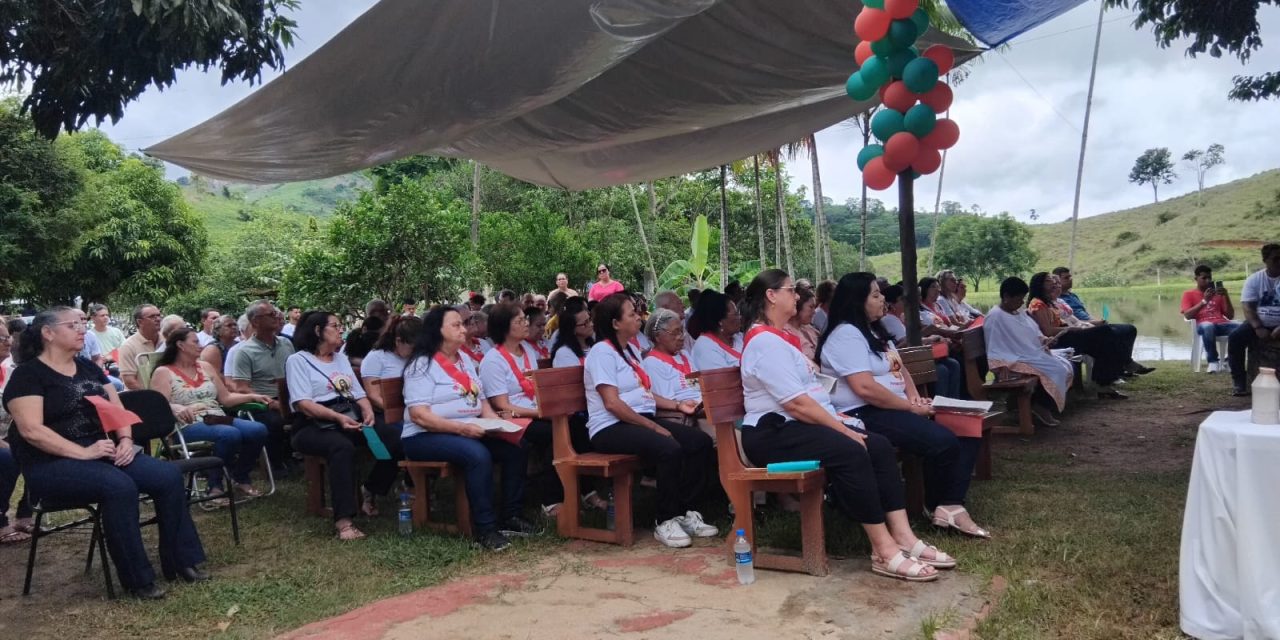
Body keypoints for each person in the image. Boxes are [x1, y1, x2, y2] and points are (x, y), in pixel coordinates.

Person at [738, 270, 953, 581]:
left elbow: (810, 395)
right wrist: (843, 429)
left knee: (876, 444)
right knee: (852, 448)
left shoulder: (780, 338)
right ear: (771, 296)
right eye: (790, 290)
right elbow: (796, 403)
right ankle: (883, 549)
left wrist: (843, 422)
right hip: (773, 434)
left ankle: (905, 537)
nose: (797, 296)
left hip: (795, 425)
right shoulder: (764, 343)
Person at [3, 308, 208, 598]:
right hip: (51, 463)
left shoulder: (88, 367)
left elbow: (117, 410)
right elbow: (31, 431)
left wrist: (126, 440)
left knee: (166, 476)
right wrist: (83, 452)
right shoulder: (28, 376)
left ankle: (181, 561)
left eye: (82, 324)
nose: (81, 329)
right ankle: (138, 579)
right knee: (119, 486)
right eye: (72, 324)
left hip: (104, 452)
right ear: (48, 333)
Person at [818, 272, 989, 537]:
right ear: (856, 301)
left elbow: (900, 369)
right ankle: (942, 506)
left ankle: (947, 505)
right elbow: (864, 388)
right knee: (942, 441)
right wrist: (910, 408)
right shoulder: (845, 335)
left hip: (893, 406)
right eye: (875, 295)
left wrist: (913, 397)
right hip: (862, 413)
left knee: (967, 425)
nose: (882, 299)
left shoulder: (874, 330)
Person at [585, 293, 715, 548]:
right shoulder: (602, 353)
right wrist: (654, 426)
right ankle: (664, 519)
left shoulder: (630, 349)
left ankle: (684, 511)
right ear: (615, 323)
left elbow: (645, 392)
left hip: (638, 419)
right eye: (632, 314)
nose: (638, 317)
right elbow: (612, 403)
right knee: (669, 448)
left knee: (698, 442)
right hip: (610, 427)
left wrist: (677, 405)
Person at [402, 306, 536, 552]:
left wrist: (496, 424)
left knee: (516, 446)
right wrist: (461, 429)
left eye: (462, 324)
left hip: (468, 428)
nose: (464, 329)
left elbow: (482, 401)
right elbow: (419, 415)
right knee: (477, 455)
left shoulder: (463, 360)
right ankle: (485, 529)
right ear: (438, 330)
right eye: (456, 325)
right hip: (425, 436)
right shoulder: (421, 365)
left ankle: (511, 516)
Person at [286, 311, 390, 540]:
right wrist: (338, 418)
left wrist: (368, 410)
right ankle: (344, 521)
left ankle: (371, 490)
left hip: (348, 415)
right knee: (341, 447)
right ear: (317, 331)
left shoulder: (340, 358)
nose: (341, 329)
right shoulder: (298, 360)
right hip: (313, 424)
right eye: (335, 325)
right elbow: (304, 404)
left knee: (392, 435)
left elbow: (359, 393)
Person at [150, 328, 272, 502]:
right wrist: (176, 407)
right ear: (180, 345)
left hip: (216, 417)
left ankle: (240, 477)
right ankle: (215, 486)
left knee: (258, 429)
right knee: (229, 434)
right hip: (186, 423)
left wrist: (252, 396)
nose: (200, 345)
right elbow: (158, 405)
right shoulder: (163, 372)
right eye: (195, 342)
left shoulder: (205, 367)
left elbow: (226, 398)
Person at [480, 304, 574, 516]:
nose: (526, 324)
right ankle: (550, 500)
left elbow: (536, 388)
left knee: (574, 426)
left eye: (525, 319)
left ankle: (577, 491)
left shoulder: (528, 351)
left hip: (536, 411)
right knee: (555, 434)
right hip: (515, 418)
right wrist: (544, 414)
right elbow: (501, 405)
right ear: (505, 327)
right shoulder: (493, 360)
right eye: (520, 321)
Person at [984, 277, 1073, 426]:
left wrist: (1044, 339)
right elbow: (995, 346)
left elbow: (1032, 331)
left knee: (1065, 364)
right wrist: (1002, 365)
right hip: (1010, 363)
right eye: (1019, 299)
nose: (1021, 303)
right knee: (1057, 369)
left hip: (1027, 355)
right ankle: (1040, 406)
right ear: (1006, 297)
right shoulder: (995, 317)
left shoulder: (1016, 312)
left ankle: (1039, 404)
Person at [1028, 273, 1128, 399]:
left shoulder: (1051, 302)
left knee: (1108, 338)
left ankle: (1103, 382)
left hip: (1068, 335)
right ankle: (1102, 382)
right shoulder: (1037, 304)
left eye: (1053, 280)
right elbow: (1047, 331)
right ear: (1039, 285)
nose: (1054, 283)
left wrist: (1078, 327)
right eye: (1048, 281)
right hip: (1057, 340)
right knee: (1105, 333)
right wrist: (1072, 329)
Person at [229, 300, 296, 472]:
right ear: (255, 322)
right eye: (271, 314)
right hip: (263, 402)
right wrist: (269, 402)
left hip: (291, 397)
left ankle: (303, 456)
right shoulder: (244, 351)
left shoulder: (286, 343)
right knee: (274, 421)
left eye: (276, 313)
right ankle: (276, 464)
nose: (277, 317)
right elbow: (241, 387)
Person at [1052, 266, 1154, 377]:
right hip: (1082, 330)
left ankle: (1123, 365)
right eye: (1066, 278)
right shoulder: (1055, 302)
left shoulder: (1071, 296)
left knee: (1129, 329)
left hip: (1088, 324)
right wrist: (1095, 324)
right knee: (1111, 332)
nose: (1070, 279)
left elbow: (1083, 314)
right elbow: (1069, 322)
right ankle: (1123, 366)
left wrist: (1096, 321)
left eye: (1070, 277)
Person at [880, 284, 963, 399]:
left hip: (915, 357)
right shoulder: (890, 319)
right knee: (941, 370)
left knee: (952, 364)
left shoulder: (901, 317)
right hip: (908, 361)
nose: (907, 302)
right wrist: (930, 338)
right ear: (892, 304)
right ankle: (940, 407)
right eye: (902, 299)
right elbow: (906, 342)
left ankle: (953, 403)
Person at [1230, 243, 1280, 396]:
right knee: (1235, 338)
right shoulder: (1254, 279)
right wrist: (1258, 327)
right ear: (1265, 260)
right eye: (1276, 258)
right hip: (1259, 322)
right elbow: (1247, 307)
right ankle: (1240, 382)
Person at [0, 320, 34, 545]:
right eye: (1, 339)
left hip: (7, 432)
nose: (8, 342)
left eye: (7, 337)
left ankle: (26, 511)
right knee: (8, 457)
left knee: (39, 443)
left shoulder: (12, 368)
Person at [1182, 265, 1240, 374]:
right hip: (1203, 326)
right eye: (1204, 278)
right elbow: (1187, 316)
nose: (1207, 280)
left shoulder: (1218, 294)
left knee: (1245, 327)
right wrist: (1204, 301)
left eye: (1209, 278)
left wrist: (1226, 296)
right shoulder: (1188, 294)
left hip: (1221, 324)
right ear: (1196, 279)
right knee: (1208, 326)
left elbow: (1230, 316)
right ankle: (1213, 362)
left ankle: (1229, 360)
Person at [688, 290, 743, 372]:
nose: (740, 317)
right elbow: (722, 380)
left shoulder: (739, 337)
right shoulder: (705, 347)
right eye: (736, 314)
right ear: (720, 321)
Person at [118, 304, 163, 390]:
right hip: (142, 397)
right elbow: (129, 381)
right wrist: (154, 395)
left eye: (158, 315)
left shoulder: (167, 341)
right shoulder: (128, 346)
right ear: (140, 322)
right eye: (152, 317)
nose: (158, 319)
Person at [551, 298, 593, 367]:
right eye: (585, 323)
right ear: (572, 329)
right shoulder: (564, 354)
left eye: (589, 319)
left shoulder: (594, 346)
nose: (591, 324)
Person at [200, 313, 241, 383]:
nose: (234, 327)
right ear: (218, 330)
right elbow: (215, 376)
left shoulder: (239, 345)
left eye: (235, 325)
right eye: (229, 325)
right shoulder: (212, 349)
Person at [786, 286, 821, 362]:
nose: (814, 312)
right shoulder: (786, 332)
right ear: (798, 306)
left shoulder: (810, 329)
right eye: (811, 307)